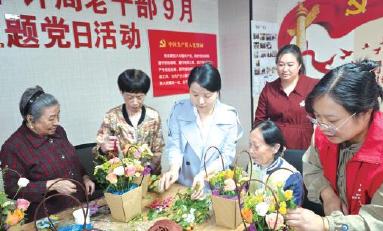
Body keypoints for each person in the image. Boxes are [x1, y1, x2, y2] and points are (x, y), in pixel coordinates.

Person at [286, 60, 383, 230]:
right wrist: (327, 194)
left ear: (364, 112)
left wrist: (326, 224)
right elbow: (312, 167)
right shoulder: (324, 133)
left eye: (332, 120)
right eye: (317, 117)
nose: (322, 127)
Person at [0, 86, 95, 221]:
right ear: (30, 119)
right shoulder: (13, 148)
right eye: (51, 118)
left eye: (58, 115)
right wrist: (51, 185)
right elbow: (12, 189)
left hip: (79, 207)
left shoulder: (59, 131)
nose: (57, 122)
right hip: (49, 218)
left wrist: (85, 176)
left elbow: (72, 160)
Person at [159, 63, 243, 199]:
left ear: (217, 92)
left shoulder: (229, 115)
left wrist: (203, 174)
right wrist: (174, 169)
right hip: (186, 181)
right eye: (195, 94)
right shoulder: (179, 110)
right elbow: (175, 146)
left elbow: (226, 156)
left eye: (207, 95)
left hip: (215, 182)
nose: (201, 101)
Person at [94, 69, 164, 174]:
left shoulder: (153, 116)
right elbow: (98, 151)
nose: (135, 102)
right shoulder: (112, 117)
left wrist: (146, 171)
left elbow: (158, 149)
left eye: (139, 97)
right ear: (121, 92)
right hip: (123, 178)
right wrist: (102, 149)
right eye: (130, 97)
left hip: (150, 175)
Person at [254, 44, 318, 150]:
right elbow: (259, 122)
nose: (285, 69)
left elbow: (321, 119)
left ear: (299, 66)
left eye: (290, 65)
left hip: (305, 146)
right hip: (276, 146)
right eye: (281, 64)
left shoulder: (313, 86)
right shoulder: (268, 89)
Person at [248, 120, 303, 205]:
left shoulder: (290, 177)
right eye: (250, 145)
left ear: (275, 148)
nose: (251, 151)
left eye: (256, 146)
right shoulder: (252, 164)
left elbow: (293, 212)